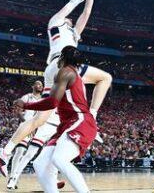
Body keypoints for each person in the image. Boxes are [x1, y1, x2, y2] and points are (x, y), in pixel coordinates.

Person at [0, 0, 112, 179]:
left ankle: (4, 152)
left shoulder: (73, 33)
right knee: (105, 78)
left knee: (41, 117)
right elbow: (74, 5)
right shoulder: (55, 21)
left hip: (53, 69)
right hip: (63, 65)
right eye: (69, 18)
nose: (71, 18)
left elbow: (86, 12)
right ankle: (91, 114)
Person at [14, 46, 100, 193]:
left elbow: (52, 102)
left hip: (79, 121)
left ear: (62, 58)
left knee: (59, 159)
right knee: (40, 163)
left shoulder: (65, 71)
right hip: (68, 124)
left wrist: (26, 105)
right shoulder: (73, 74)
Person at [7, 80, 43, 190]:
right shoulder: (27, 97)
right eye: (38, 84)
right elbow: (17, 110)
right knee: (19, 151)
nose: (40, 86)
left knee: (28, 154)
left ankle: (14, 176)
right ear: (33, 86)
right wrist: (25, 123)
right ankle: (12, 177)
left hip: (37, 129)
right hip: (25, 127)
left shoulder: (43, 99)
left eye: (41, 85)